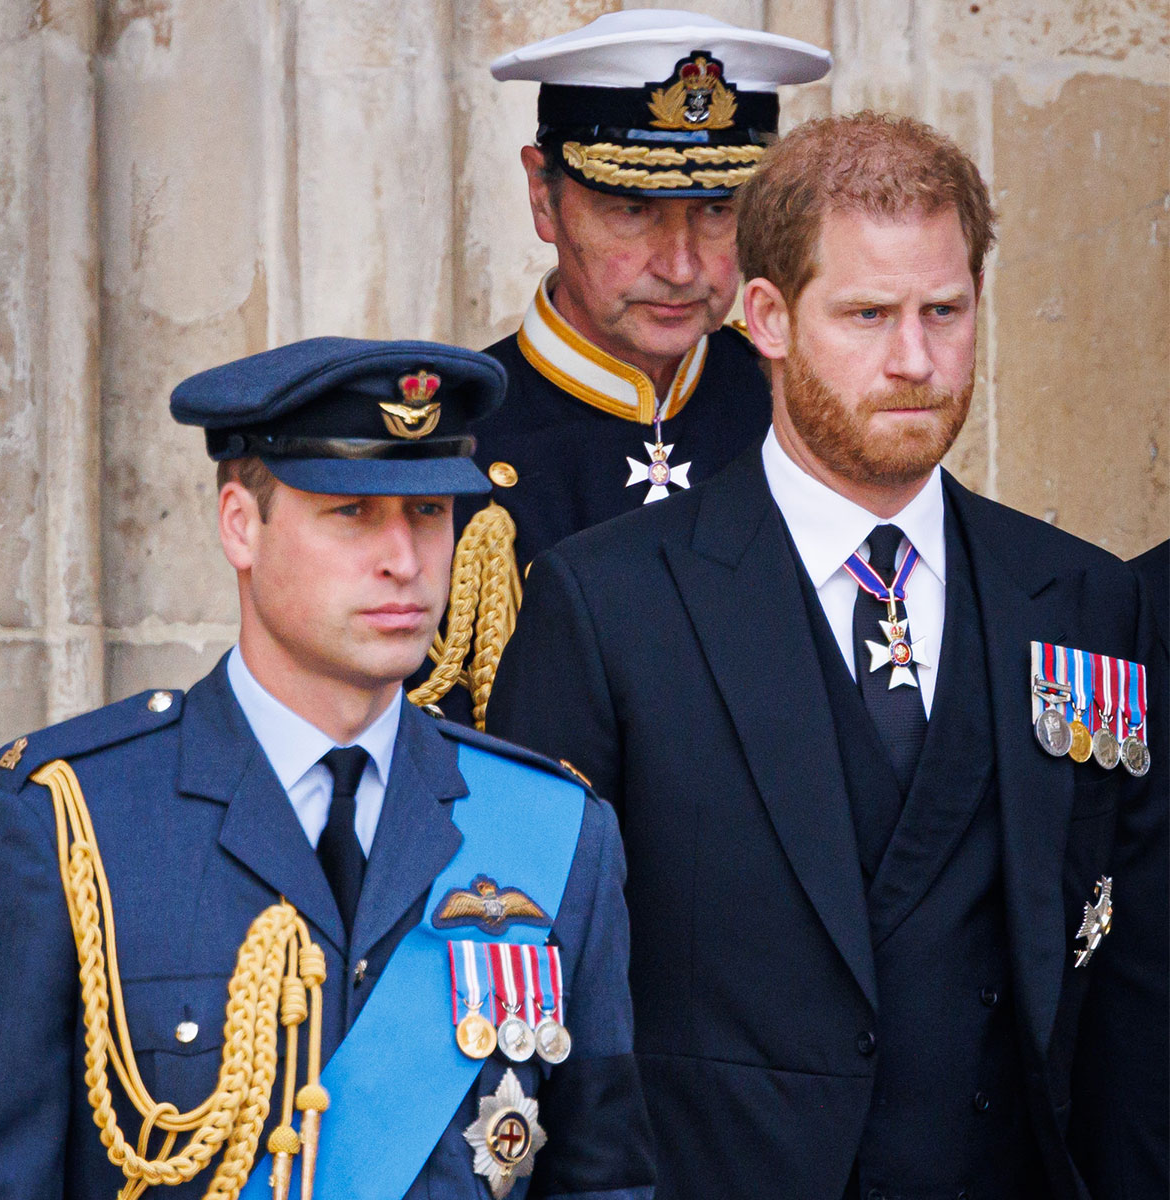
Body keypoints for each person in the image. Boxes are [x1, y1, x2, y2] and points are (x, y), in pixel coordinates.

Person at [487, 113, 1167, 1200]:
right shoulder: (607, 604)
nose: (915, 360)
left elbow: (1136, 1001)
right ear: (767, 315)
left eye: (945, 312)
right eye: (867, 315)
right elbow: (529, 989)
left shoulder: (1084, 601)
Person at [0, 338, 654, 1200]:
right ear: (239, 526)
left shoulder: (554, 833)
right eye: (353, 513)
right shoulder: (67, 826)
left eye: (430, 515)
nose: (404, 561)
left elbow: (601, 1180)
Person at [409, 9, 830, 726]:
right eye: (633, 209)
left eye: (719, 209)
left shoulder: (802, 404)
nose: (680, 265)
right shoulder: (446, 439)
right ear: (544, 197)